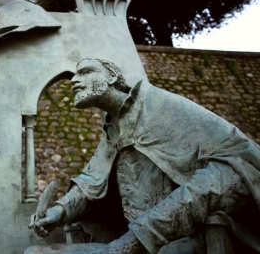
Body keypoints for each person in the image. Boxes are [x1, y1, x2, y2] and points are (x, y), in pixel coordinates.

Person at [26, 58, 260, 254]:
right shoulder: (113, 128)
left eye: (86, 72)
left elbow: (233, 167)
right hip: (129, 243)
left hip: (185, 238)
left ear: (111, 78)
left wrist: (133, 242)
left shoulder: (160, 106)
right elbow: (90, 183)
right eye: (75, 75)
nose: (75, 80)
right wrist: (59, 212)